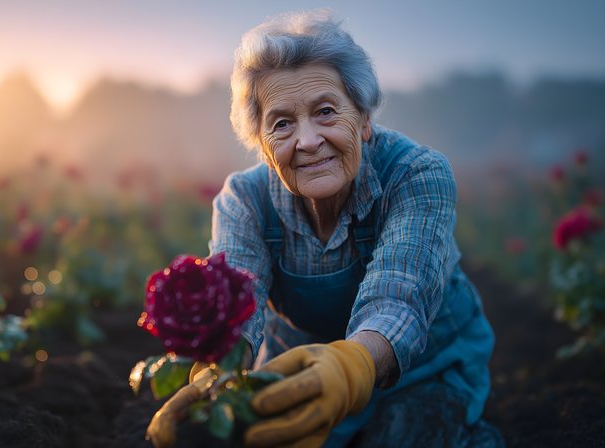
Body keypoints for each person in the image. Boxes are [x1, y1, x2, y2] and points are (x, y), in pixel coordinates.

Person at [147, 9, 503, 448]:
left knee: (402, 437)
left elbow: (401, 295)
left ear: (365, 119)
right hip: (298, 371)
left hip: (425, 365)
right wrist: (213, 382)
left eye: (326, 111)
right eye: (282, 124)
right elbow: (239, 309)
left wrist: (352, 366)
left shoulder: (415, 174)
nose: (308, 140)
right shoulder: (245, 200)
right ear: (260, 143)